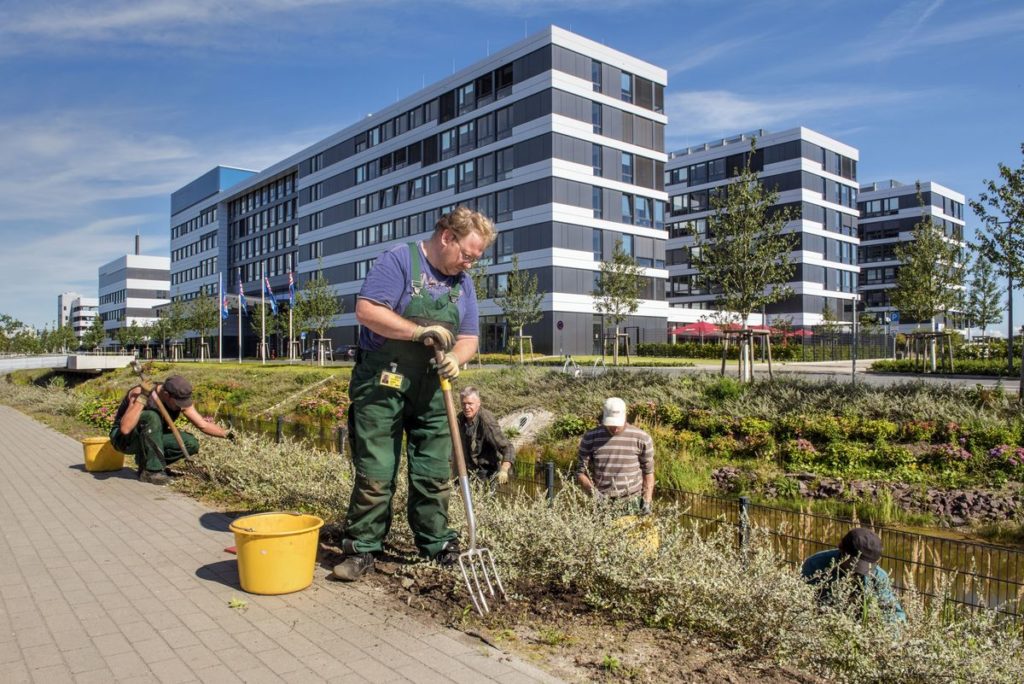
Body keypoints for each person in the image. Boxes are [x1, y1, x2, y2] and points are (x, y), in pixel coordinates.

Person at [332, 206, 497, 582]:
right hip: (383, 385)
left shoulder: (462, 284)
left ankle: (436, 542)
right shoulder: (399, 261)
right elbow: (367, 310)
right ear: (446, 238)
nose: (470, 264)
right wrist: (416, 332)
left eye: (476, 258)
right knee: (376, 471)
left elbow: (469, 337)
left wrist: (456, 357)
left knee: (435, 472)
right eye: (467, 254)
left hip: (433, 387)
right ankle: (362, 547)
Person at [110, 375, 234, 486]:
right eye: (178, 403)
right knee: (151, 416)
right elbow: (125, 429)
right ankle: (152, 472)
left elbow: (203, 425)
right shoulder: (139, 393)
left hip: (151, 439)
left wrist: (227, 434)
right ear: (166, 394)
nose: (181, 406)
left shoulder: (179, 398)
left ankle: (147, 464)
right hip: (124, 440)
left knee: (191, 443)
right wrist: (142, 397)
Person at [801, 527, 907, 622]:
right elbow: (801, 605)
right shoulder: (815, 565)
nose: (857, 572)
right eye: (854, 564)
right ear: (841, 550)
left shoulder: (879, 576)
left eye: (866, 566)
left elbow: (895, 614)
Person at [576, 397, 654, 515]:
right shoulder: (590, 438)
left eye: (618, 424)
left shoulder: (642, 438)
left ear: (625, 416)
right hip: (602, 501)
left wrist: (647, 502)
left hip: (632, 501)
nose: (615, 428)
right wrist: (594, 494)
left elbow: (648, 472)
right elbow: (581, 473)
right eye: (611, 424)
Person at [457, 386, 515, 484]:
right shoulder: (460, 418)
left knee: (485, 499)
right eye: (464, 403)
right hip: (467, 470)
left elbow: (507, 447)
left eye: (470, 404)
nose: (466, 407)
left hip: (486, 472)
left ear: (478, 403)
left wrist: (504, 469)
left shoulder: (486, 421)